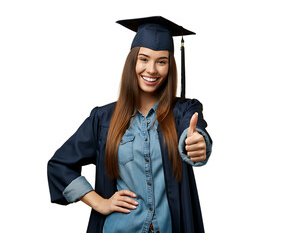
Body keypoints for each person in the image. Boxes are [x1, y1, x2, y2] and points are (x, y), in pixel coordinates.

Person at [47, 16, 213, 233]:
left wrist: (197, 144)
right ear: (132, 61)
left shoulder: (183, 112)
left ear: (170, 66)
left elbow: (194, 131)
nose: (152, 69)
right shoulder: (103, 119)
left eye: (161, 61)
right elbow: (60, 165)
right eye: (144, 59)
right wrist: (99, 202)